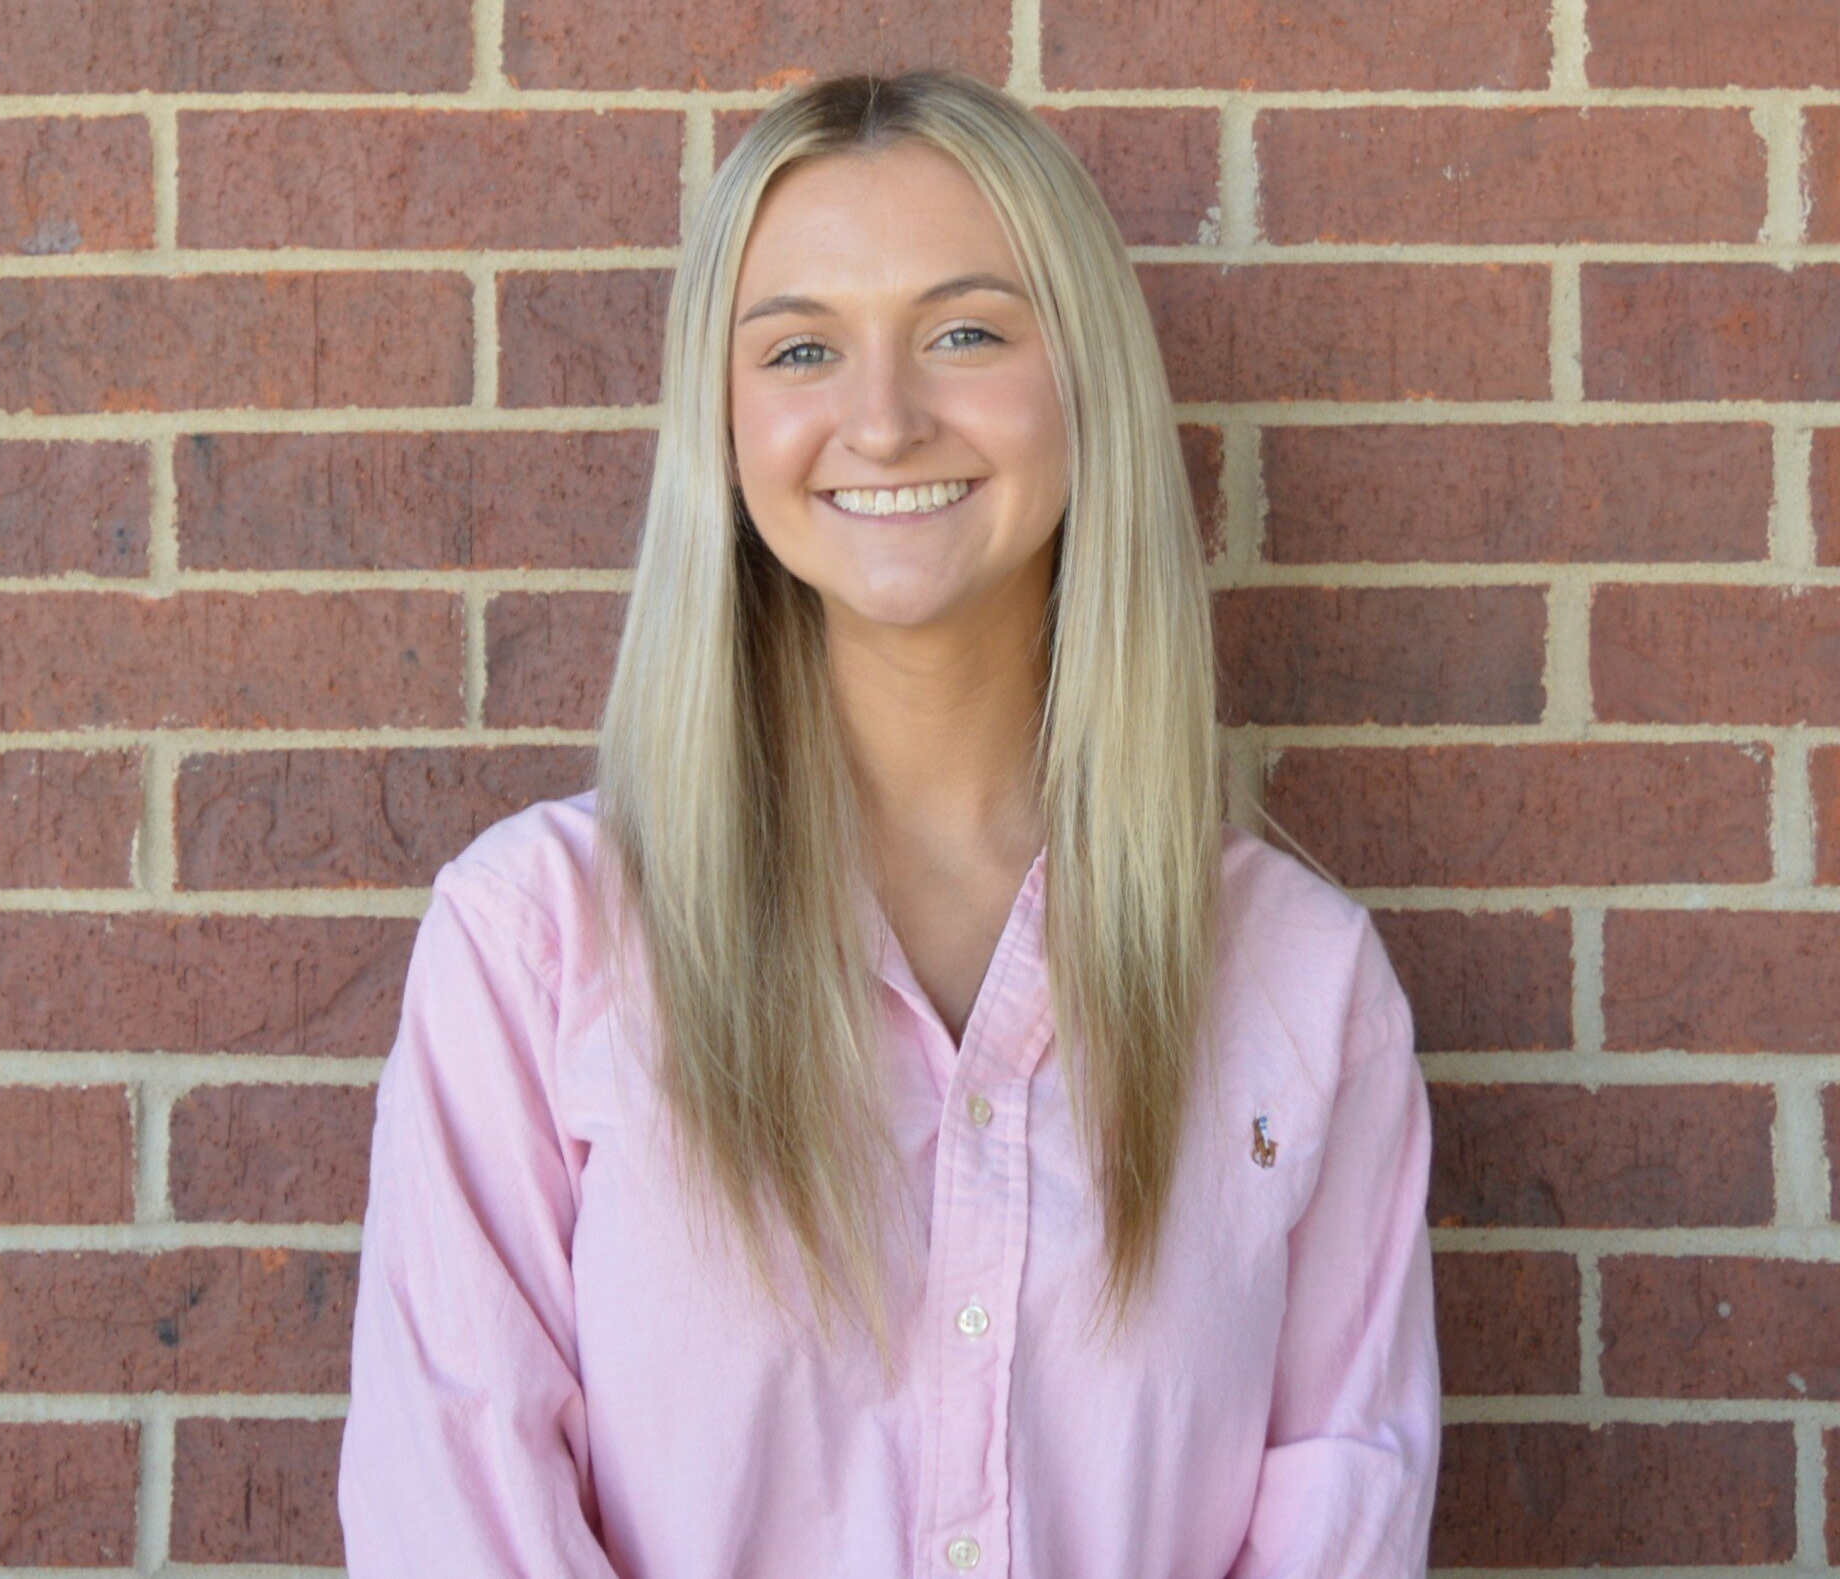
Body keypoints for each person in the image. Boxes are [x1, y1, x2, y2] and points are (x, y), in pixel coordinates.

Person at [336, 66, 1441, 1578]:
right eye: (801, 348)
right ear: (725, 423)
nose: (884, 419)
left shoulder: (1304, 986)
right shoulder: (537, 946)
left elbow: (1344, 1518)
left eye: (966, 332)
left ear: (1085, 385)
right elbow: (454, 1520)